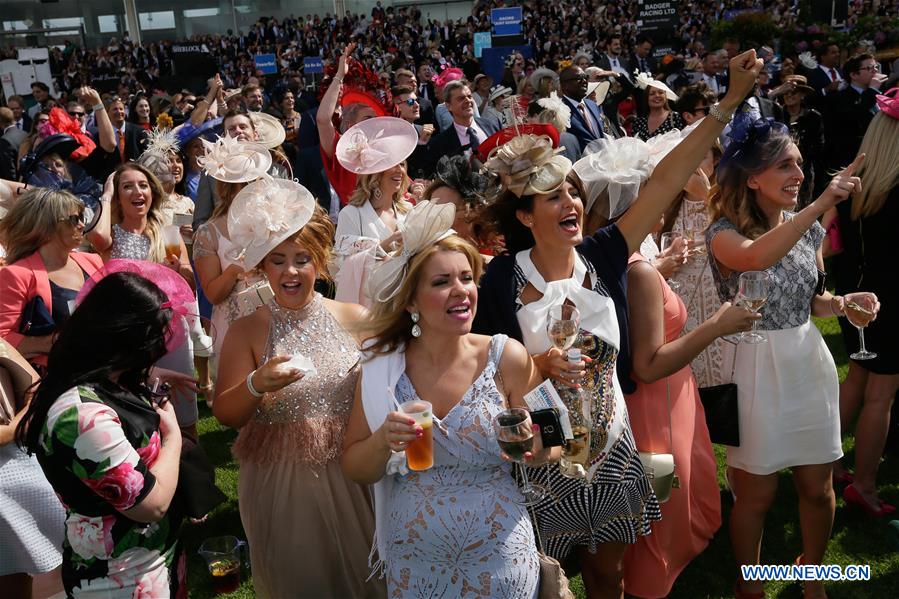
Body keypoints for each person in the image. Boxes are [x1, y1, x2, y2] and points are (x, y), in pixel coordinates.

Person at [474, 49, 764, 597]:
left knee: (608, 572)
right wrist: (538, 368)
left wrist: (727, 103)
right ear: (522, 215)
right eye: (551, 195)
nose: (570, 203)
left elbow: (666, 179)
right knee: (543, 577)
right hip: (541, 457)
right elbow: (485, 375)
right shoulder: (499, 281)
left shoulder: (605, 254)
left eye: (572, 192)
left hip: (612, 447)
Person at [705, 112, 879, 599]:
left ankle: (813, 574)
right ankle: (750, 586)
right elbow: (756, 257)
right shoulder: (721, 232)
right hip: (756, 367)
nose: (799, 176)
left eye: (800, 164)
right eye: (785, 166)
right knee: (756, 492)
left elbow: (811, 300)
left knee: (816, 486)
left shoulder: (809, 231)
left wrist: (843, 304)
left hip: (807, 363)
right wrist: (822, 203)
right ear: (753, 178)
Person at [342, 201, 553, 597]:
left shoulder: (506, 356)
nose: (461, 291)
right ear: (411, 301)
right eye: (441, 282)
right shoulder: (382, 369)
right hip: (415, 563)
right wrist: (380, 442)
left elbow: (554, 439)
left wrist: (532, 442)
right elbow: (356, 467)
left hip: (500, 557)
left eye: (467, 278)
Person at [212, 178, 382, 597]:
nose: (290, 271)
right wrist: (256, 384)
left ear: (320, 263)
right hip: (284, 484)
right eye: (277, 260)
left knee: (366, 579)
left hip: (353, 472)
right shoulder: (247, 330)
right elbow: (225, 414)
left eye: (302, 259)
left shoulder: (355, 317)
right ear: (262, 267)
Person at [15, 270, 187, 597]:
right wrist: (172, 439)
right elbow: (151, 505)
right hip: (118, 581)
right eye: (152, 339)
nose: (158, 348)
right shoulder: (80, 416)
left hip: (148, 564)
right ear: (122, 338)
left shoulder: (109, 379)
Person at [623, 240, 757, 598]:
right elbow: (648, 366)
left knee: (683, 483)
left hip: (676, 393)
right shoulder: (639, 270)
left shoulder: (634, 259)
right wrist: (716, 324)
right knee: (660, 501)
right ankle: (647, 582)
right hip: (656, 403)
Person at [832, 98, 899, 517]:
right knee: (881, 394)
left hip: (856, 296)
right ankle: (865, 484)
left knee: (858, 378)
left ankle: (834, 464)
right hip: (887, 301)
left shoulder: (856, 182)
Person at [0, 188, 104, 371]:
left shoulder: (92, 260)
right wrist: (52, 342)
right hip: (55, 378)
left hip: (102, 368)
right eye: (74, 219)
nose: (81, 225)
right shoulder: (17, 274)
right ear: (46, 226)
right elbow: (3, 338)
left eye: (82, 217)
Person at [0, 339, 65, 599]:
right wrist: (22, 423)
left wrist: (27, 413)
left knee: (17, 565)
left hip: (15, 470)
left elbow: (33, 384)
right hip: (13, 462)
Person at [332, 117, 417, 306]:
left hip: (407, 304)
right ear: (374, 172)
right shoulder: (351, 214)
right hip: (370, 308)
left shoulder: (409, 210)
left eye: (402, 164)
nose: (400, 171)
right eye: (392, 164)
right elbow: (341, 268)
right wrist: (383, 246)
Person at [316, 43, 387, 206]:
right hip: (354, 223)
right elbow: (322, 120)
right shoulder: (341, 150)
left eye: (375, 119)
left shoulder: (385, 149)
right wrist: (339, 75)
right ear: (350, 125)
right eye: (367, 119)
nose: (373, 124)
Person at [768, 75, 824, 208]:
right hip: (781, 166)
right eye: (786, 93)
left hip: (805, 168)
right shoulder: (777, 113)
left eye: (794, 92)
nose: (789, 96)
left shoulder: (813, 116)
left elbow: (819, 145)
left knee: (803, 205)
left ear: (802, 95)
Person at [423, 80, 499, 176]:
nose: (468, 100)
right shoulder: (439, 144)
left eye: (469, 96)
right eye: (461, 98)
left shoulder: (492, 126)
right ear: (448, 106)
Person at [422, 155, 494, 256]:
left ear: (473, 212)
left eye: (445, 211)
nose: (433, 218)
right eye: (430, 210)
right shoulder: (425, 256)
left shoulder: (498, 254)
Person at [559, 65, 606, 150]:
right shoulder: (558, 109)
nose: (584, 81)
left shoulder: (593, 105)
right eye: (579, 78)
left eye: (585, 77)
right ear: (564, 85)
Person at [632, 75, 684, 141]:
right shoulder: (638, 122)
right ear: (646, 98)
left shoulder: (675, 117)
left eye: (660, 92)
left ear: (665, 96)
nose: (657, 95)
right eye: (652, 94)